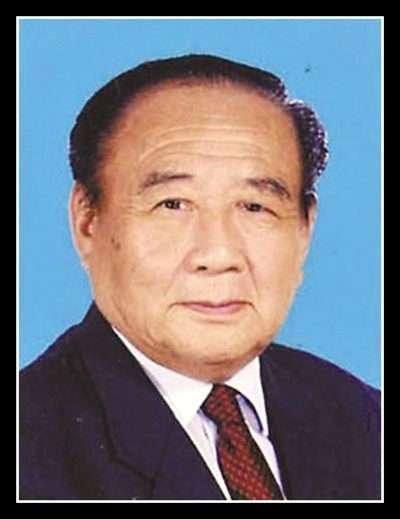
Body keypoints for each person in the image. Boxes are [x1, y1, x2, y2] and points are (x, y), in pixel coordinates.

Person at [19, 54, 381, 501]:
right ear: (87, 223)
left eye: (255, 207)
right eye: (172, 204)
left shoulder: (364, 420)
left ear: (304, 231)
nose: (218, 255)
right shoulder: (30, 449)